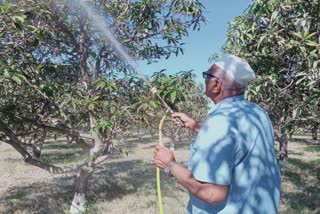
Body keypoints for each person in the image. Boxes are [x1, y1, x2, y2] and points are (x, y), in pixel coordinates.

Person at [154, 54, 281, 214]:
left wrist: (170, 165)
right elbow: (234, 141)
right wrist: (195, 125)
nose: (204, 80)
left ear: (216, 85)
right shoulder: (256, 112)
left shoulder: (220, 122)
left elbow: (213, 193)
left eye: (206, 76)